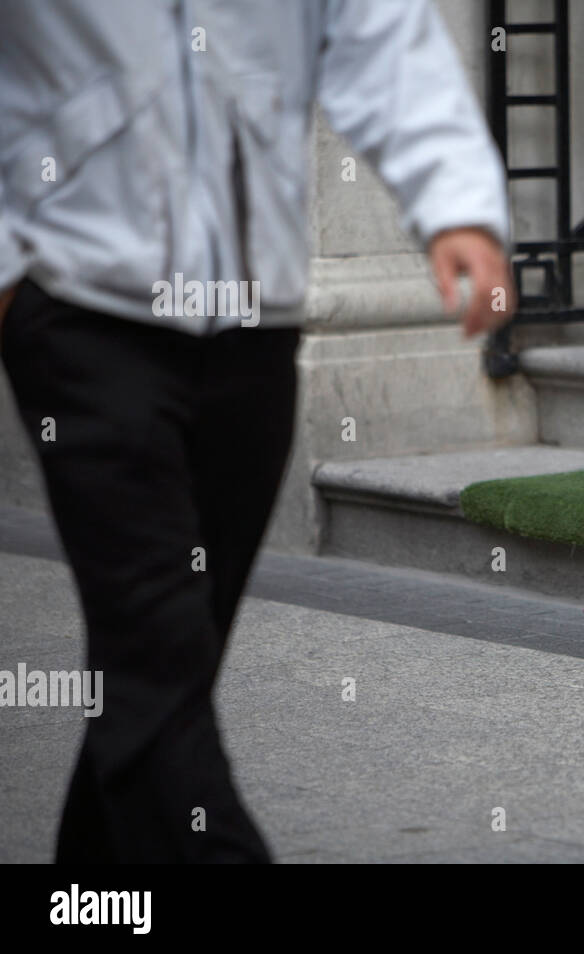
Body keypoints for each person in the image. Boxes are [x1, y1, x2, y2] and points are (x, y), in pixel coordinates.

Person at [0, 0, 515, 862]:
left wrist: (454, 203)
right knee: (158, 652)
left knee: (169, 659)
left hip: (254, 316)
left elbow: (380, 31)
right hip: (83, 305)